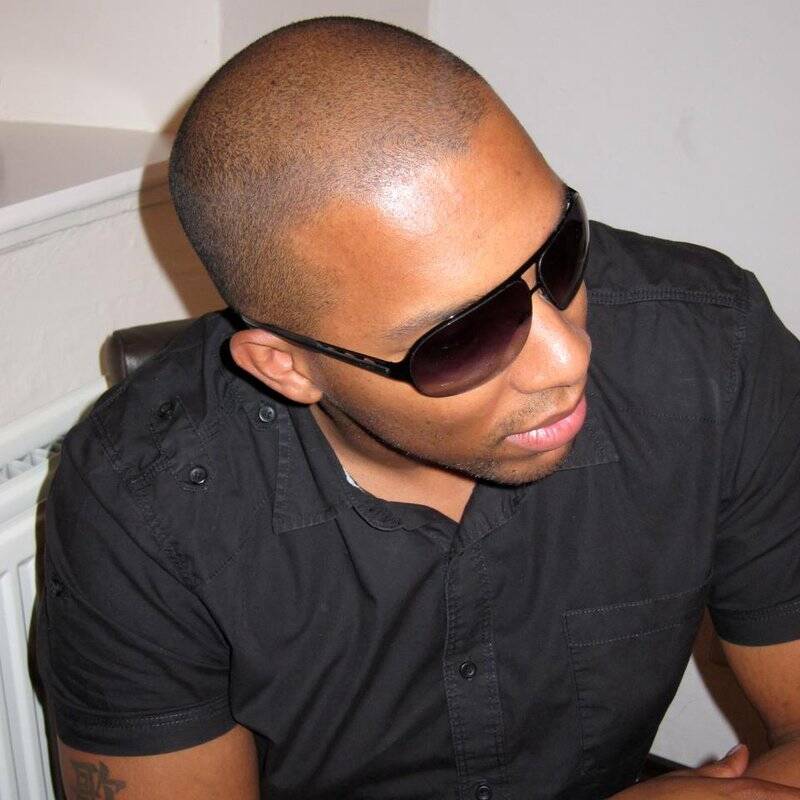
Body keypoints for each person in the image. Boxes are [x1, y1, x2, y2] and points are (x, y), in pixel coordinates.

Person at [36, 16, 800, 800]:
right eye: (463, 336)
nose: (569, 356)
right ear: (289, 367)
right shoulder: (139, 513)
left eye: (562, 250)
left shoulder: (715, 350)